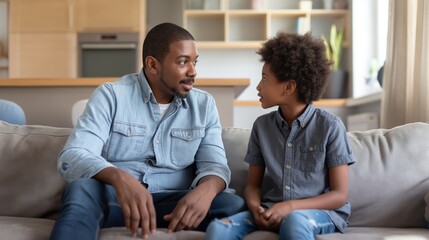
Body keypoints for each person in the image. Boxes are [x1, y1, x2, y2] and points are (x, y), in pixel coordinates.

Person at [50, 22, 245, 240]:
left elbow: (215, 165)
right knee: (81, 190)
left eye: (194, 62)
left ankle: (162, 218)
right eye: (183, 62)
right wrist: (120, 178)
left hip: (173, 204)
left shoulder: (203, 105)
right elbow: (72, 157)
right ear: (153, 65)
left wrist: (207, 190)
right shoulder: (111, 96)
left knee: (231, 204)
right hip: (116, 201)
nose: (193, 71)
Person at [205, 32, 356, 240]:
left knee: (295, 222)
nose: (258, 86)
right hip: (271, 210)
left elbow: (339, 195)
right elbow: (252, 186)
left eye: (265, 79)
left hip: (321, 214)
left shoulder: (330, 127)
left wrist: (290, 207)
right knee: (219, 229)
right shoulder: (262, 127)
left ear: (289, 87)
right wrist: (256, 208)